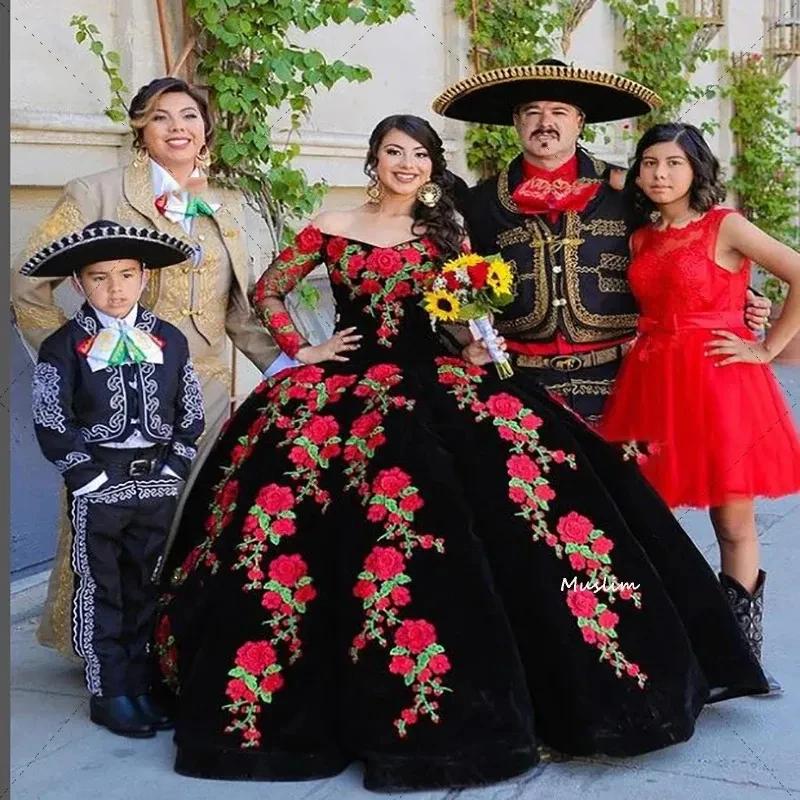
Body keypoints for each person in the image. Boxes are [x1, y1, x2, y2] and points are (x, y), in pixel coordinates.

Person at [152, 114, 768, 791]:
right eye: (394, 152)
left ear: (431, 165)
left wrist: (473, 345)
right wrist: (305, 350)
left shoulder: (445, 233)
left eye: (419, 155)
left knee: (525, 512)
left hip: (441, 380)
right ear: (374, 159)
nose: (406, 164)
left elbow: (463, 314)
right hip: (347, 386)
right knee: (316, 534)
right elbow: (267, 290)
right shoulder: (330, 223)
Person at [11, 76, 279, 664]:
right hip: (112, 398)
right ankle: (103, 654)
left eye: (190, 115)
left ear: (207, 128)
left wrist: (285, 365)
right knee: (110, 529)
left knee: (188, 522)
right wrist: (73, 362)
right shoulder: (96, 192)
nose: (178, 127)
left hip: (206, 387)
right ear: (141, 128)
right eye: (162, 117)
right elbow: (28, 284)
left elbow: (241, 308)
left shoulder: (227, 205)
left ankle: (169, 650)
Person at [431, 59, 771, 426]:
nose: (546, 123)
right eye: (533, 113)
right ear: (516, 121)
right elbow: (452, 285)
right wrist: (465, 343)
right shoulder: (480, 203)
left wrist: (744, 295)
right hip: (521, 383)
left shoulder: (631, 191)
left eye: (559, 112)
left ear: (579, 121)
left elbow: (686, 241)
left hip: (622, 382)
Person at [600, 122, 800, 694]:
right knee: (643, 516)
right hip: (651, 381)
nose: (661, 175)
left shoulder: (724, 225)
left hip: (718, 383)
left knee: (731, 518)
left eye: (674, 163)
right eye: (650, 164)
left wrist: (765, 347)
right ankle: (669, 644)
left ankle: (741, 660)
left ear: (696, 170)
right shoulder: (642, 238)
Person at [23, 220, 205, 737]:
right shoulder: (63, 345)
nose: (115, 287)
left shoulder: (170, 339)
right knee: (102, 588)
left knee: (146, 585)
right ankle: (109, 690)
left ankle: (140, 684)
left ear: (145, 276)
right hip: (100, 486)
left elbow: (189, 408)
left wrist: (176, 466)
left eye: (127, 274)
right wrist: (86, 479)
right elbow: (51, 418)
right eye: (100, 277)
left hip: (157, 487)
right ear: (79, 284)